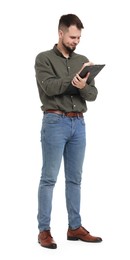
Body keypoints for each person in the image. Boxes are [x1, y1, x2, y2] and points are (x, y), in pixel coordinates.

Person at [35, 13, 102, 249]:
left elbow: (92, 95)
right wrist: (74, 80)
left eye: (79, 38)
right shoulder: (43, 59)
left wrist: (84, 85)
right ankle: (44, 230)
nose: (76, 41)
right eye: (73, 37)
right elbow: (50, 87)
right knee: (49, 178)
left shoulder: (82, 60)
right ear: (61, 33)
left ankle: (74, 227)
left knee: (75, 179)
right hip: (54, 122)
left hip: (78, 124)